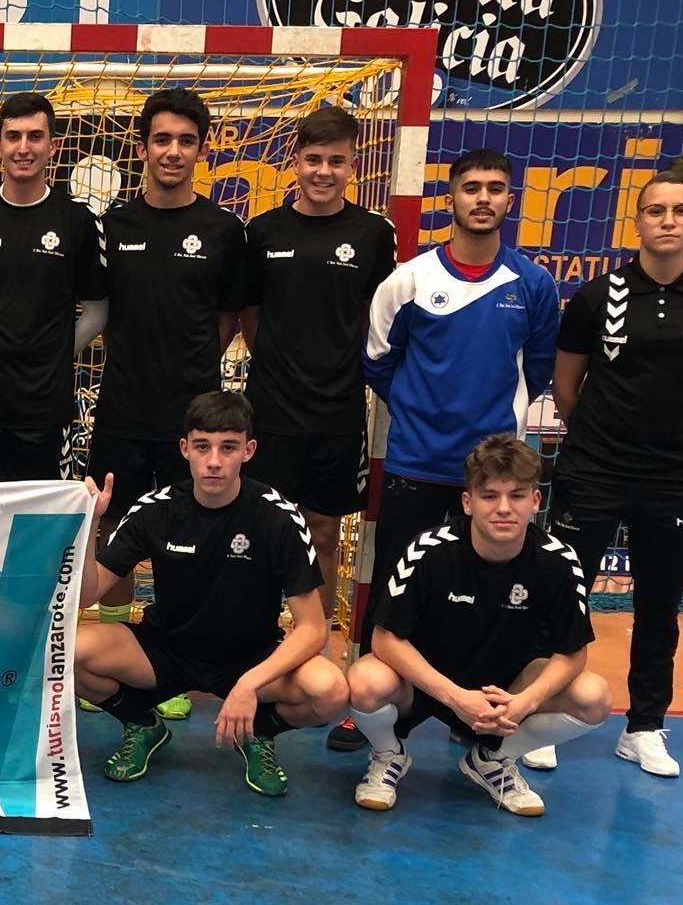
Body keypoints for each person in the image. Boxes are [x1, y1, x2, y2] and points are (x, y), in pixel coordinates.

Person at [334, 149, 559, 751]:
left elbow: (537, 368)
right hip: (417, 464)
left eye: (495, 188)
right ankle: (372, 711)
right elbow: (378, 361)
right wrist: (420, 408)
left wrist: (491, 423)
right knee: (392, 591)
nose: (482, 198)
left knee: (494, 599)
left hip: (493, 477)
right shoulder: (408, 280)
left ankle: (483, 714)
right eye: (471, 187)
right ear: (450, 197)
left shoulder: (533, 285)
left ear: (510, 199)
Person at [540, 156, 683, 776]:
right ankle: (543, 714)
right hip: (594, 471)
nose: (668, 221)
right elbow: (566, 385)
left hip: (675, 476)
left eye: (680, 210)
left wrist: (666, 436)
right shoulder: (597, 296)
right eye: (656, 211)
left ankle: (645, 726)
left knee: (660, 606)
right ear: (637, 221)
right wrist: (601, 440)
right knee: (564, 596)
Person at [74, 391, 346, 796]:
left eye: (228, 447)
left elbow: (311, 629)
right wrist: (88, 528)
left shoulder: (277, 516)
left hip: (250, 656)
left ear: (248, 451)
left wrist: (249, 684)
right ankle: (141, 723)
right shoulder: (155, 509)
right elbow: (85, 595)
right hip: (165, 650)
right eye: (203, 446)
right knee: (63, 652)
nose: (214, 461)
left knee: (331, 691)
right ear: (185, 449)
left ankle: (257, 733)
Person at [86, 87, 247, 723]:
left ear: (201, 150)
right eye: (162, 140)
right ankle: (124, 654)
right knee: (116, 537)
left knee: (188, 541)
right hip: (123, 410)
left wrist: (190, 374)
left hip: (193, 421)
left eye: (186, 141)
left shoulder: (223, 230)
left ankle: (173, 666)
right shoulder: (113, 227)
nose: (173, 152)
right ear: (142, 148)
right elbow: (99, 311)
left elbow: (230, 317)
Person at [345, 436, 610, 816]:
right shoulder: (429, 550)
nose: (503, 508)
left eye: (517, 495)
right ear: (467, 502)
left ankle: (493, 759)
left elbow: (573, 652)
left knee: (593, 696)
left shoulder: (558, 560)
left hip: (507, 689)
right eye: (489, 496)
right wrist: (455, 697)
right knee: (365, 680)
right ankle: (388, 755)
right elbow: (384, 639)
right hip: (427, 684)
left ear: (535, 501)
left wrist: (525, 702)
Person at [241, 107, 398, 620]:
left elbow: (381, 317)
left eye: (336, 160)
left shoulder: (375, 233)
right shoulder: (262, 231)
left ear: (353, 165)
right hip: (271, 411)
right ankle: (257, 639)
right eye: (313, 159)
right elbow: (251, 315)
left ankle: (315, 643)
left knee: (324, 533)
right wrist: (279, 366)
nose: (323, 171)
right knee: (264, 531)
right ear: (296, 162)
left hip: (338, 413)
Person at [0, 92, 107, 481]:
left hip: (43, 410)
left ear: (53, 146)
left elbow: (98, 311)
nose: (24, 148)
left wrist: (54, 352)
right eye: (13, 136)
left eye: (35, 136)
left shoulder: (79, 219)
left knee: (39, 516)